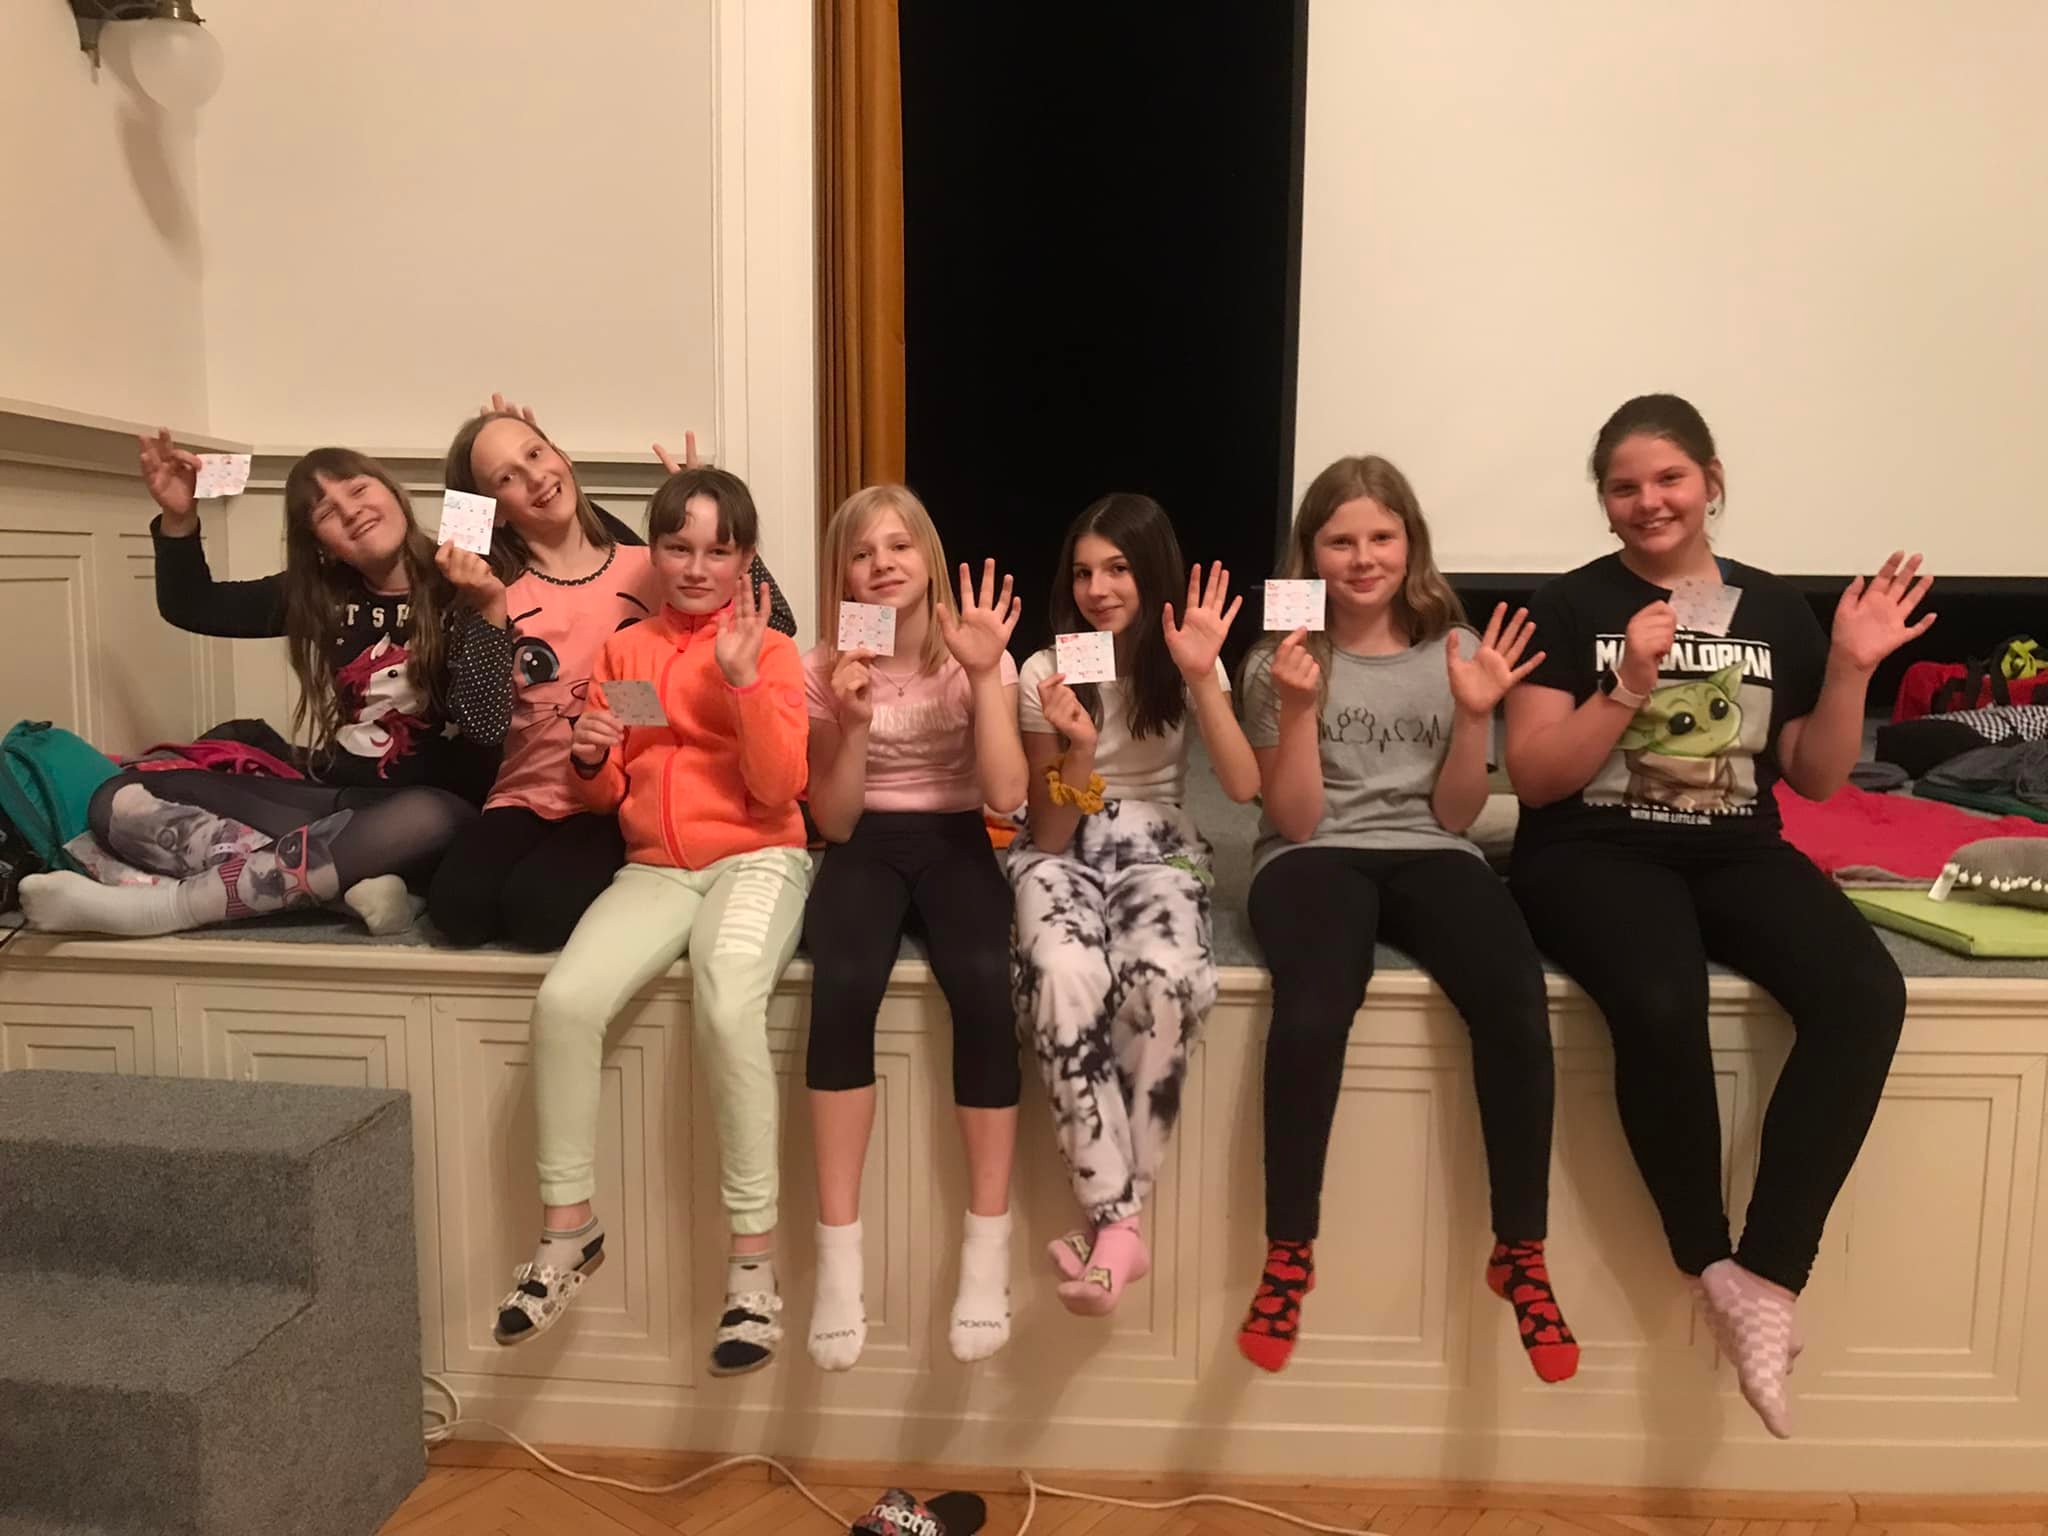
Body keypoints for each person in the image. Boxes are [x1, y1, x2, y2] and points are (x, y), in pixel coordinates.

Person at [1504, 394, 1930, 1436]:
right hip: (1589, 849)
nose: (1648, 501)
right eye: (1623, 486)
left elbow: (1815, 777)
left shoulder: (1772, 607)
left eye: (1669, 479)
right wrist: (1624, 684)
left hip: (1737, 845)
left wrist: (1848, 668)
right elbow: (1537, 776)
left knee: (1864, 994)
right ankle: (1706, 1257)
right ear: (1603, 501)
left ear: (1710, 481)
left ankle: (1768, 1276)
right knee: (1660, 998)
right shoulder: (1564, 605)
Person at [1235, 455, 1574, 1380]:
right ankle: (1289, 1252)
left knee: (1514, 996)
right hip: (1311, 854)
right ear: (1310, 553)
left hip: (1431, 850)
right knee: (1315, 1006)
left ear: (1410, 543)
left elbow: (1457, 817)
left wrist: (1472, 718)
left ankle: (1521, 1251)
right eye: (1340, 540)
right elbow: (1294, 819)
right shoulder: (1278, 660)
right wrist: (1297, 711)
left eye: (1381, 536)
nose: (1363, 558)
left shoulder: (1458, 648)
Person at [491, 466, 812, 1378]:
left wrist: (743, 685)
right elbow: (612, 784)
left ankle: (753, 1269)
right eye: (679, 547)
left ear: (746, 559)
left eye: (718, 550)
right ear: (655, 552)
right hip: (656, 869)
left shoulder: (771, 650)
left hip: (759, 858)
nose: (697, 567)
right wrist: (593, 759)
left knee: (727, 1001)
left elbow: (779, 789)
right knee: (564, 1003)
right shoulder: (628, 650)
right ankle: (568, 1231)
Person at [20, 434, 483, 936]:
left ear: (393, 491)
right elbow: (193, 605)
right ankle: (347, 888)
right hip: (336, 797)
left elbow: (536, 538)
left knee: (430, 816)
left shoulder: (466, 571)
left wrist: (495, 445)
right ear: (318, 542)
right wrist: (179, 518)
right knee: (121, 795)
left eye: (358, 489)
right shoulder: (320, 592)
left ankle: (169, 907)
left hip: (437, 815)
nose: (351, 512)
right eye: (327, 512)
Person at [1009, 493, 1259, 1315]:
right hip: (1064, 843)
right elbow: (1049, 831)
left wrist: (1203, 678)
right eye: (1083, 572)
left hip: (1163, 840)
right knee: (1062, 974)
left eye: (1117, 568)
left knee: (1165, 981)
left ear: (1152, 571)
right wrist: (1079, 748)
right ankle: (1121, 1226)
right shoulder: (1045, 672)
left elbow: (1243, 786)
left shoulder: (1186, 660)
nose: (1099, 589)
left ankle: (1109, 1225)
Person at [428, 398, 794, 949]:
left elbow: (776, 626)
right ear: (493, 510)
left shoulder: (652, 565)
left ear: (563, 456)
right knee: (457, 912)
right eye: (507, 476)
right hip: (524, 795)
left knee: (537, 917)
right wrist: (488, 608)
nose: (535, 477)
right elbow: (482, 727)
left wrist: (710, 518)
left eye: (536, 454)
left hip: (618, 795)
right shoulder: (492, 591)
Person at [801, 484, 1027, 1368]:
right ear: (842, 575)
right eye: (862, 553)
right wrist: (851, 722)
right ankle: (838, 1262)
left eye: (898, 546)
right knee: (841, 984)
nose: (882, 564)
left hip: (958, 833)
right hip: (865, 839)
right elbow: (835, 822)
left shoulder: (974, 650)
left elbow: (1007, 796)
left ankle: (986, 1252)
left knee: (984, 982)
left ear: (928, 559)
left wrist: (986, 675)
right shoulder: (824, 664)